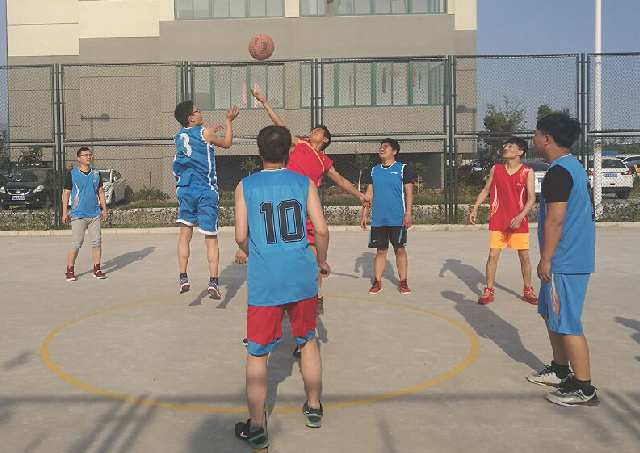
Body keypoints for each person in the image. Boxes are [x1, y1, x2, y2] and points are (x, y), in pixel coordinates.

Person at [234, 125, 330, 449]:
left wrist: (253, 252)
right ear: (289, 151)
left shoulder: (245, 185)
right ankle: (313, 408)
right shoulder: (304, 183)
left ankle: (257, 427)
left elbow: (240, 236)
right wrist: (320, 261)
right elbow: (321, 230)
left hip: (265, 280)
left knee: (257, 353)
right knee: (308, 340)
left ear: (258, 152)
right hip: (301, 275)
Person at [242, 88, 369, 321]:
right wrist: (265, 102)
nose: (313, 131)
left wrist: (359, 195)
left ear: (326, 140)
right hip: (285, 203)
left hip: (305, 208)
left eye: (318, 130)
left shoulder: (324, 161)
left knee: (313, 253)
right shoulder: (299, 144)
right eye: (313, 129)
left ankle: (315, 294)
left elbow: (341, 180)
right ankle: (279, 298)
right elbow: (279, 124)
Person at [526, 113, 598, 407]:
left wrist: (545, 259)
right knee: (550, 314)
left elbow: (555, 221)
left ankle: (584, 388)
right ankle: (559, 369)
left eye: (536, 134)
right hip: (566, 257)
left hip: (564, 260)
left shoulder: (559, 173)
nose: (533, 139)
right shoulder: (570, 167)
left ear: (546, 139)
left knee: (567, 322)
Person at [172, 101, 239, 297]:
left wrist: (207, 133)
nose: (200, 112)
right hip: (205, 190)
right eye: (197, 111)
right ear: (191, 118)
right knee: (211, 238)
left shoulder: (178, 136)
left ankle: (183, 277)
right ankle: (213, 282)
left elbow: (195, 142)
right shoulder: (205, 134)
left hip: (185, 189)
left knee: (184, 235)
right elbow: (227, 143)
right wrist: (228, 121)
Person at [469, 136, 538, 305]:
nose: (506, 148)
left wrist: (520, 216)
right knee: (493, 255)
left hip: (518, 221)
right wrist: (475, 208)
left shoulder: (527, 171)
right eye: (505, 145)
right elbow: (486, 190)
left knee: (524, 257)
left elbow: (531, 198)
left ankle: (528, 290)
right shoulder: (496, 169)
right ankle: (488, 290)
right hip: (499, 220)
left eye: (511, 146)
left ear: (520, 152)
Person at [360, 138, 413, 295]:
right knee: (380, 251)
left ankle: (403, 281)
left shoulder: (403, 168)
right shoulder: (374, 170)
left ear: (394, 151)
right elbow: (369, 193)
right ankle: (377, 282)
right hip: (379, 219)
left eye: (386, 147)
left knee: (399, 250)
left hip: (397, 218)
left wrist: (408, 214)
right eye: (381, 147)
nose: (382, 149)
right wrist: (364, 214)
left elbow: (409, 192)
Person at [62, 147, 108, 281]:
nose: (89, 157)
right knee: (77, 242)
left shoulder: (96, 174)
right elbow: (66, 194)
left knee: (97, 242)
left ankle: (97, 269)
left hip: (94, 214)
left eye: (90, 155)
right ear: (79, 158)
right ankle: (70, 269)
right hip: (78, 214)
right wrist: (64, 213)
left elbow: (100, 192)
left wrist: (104, 210)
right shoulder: (72, 174)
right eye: (85, 155)